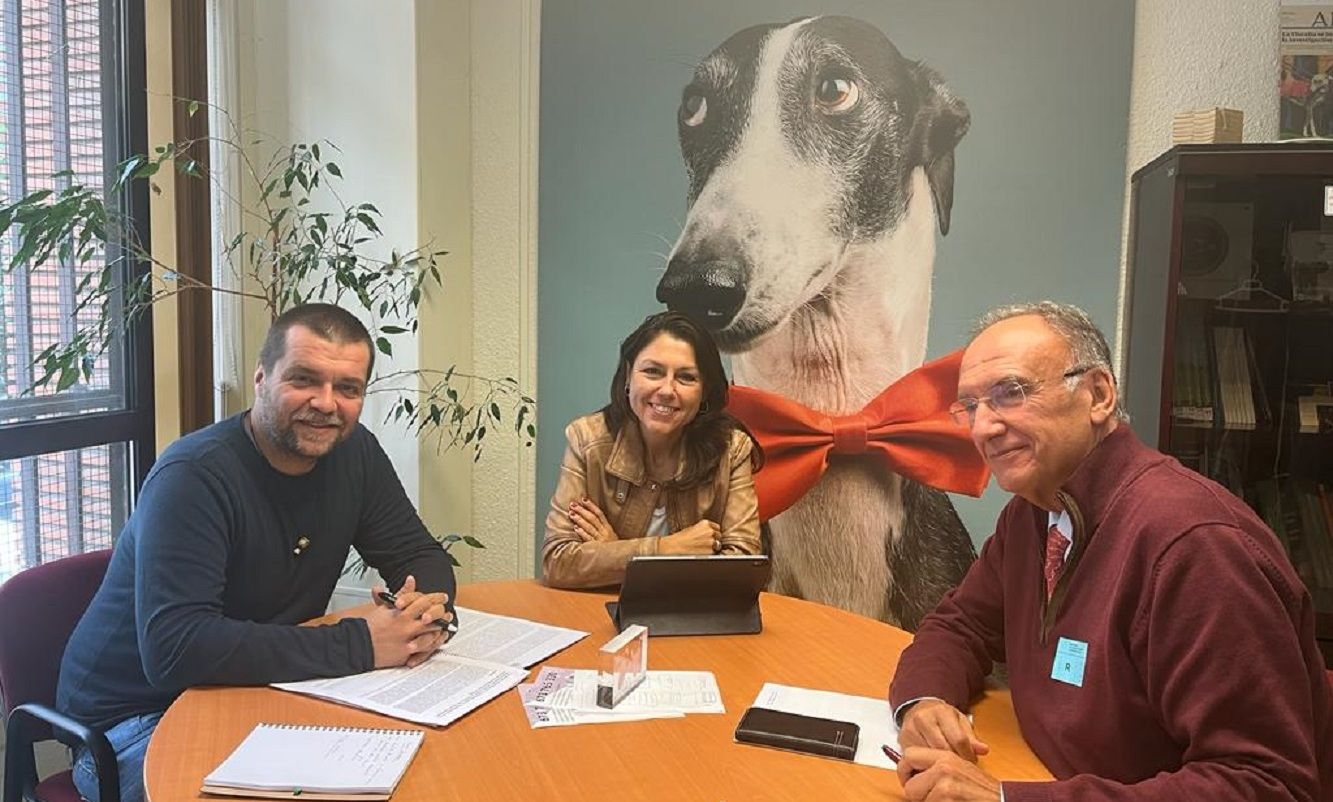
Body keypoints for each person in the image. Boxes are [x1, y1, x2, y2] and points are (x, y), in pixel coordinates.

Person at [888, 301, 1332, 801]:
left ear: (1098, 395)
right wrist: (924, 701)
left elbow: (1267, 785)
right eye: (970, 406)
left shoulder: (1198, 546)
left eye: (1010, 394)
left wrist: (1007, 799)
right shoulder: (1036, 511)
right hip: (1043, 770)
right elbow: (959, 624)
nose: (982, 428)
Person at [57, 303, 458, 802]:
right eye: (304, 379)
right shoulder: (194, 476)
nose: (327, 403)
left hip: (252, 689)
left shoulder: (354, 454)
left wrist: (425, 610)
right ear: (261, 379)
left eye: (348, 389)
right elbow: (176, 650)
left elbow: (416, 552)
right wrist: (363, 644)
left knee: (424, 766)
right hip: (132, 723)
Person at [542, 311, 763, 587]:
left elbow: (742, 570)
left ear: (704, 391)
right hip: (604, 615)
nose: (667, 390)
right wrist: (664, 549)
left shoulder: (731, 449)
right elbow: (558, 562)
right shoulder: (587, 439)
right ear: (627, 376)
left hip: (697, 623)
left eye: (686, 378)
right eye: (652, 371)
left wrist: (617, 552)